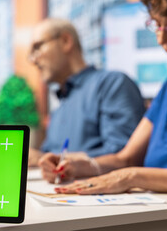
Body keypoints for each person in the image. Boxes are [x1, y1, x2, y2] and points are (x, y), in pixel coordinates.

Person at [40, 0, 167, 194]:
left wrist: (133, 177)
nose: (161, 38)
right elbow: (126, 159)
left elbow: (130, 169)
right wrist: (81, 166)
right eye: (157, 25)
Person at [28, 18, 145, 167]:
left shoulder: (111, 84)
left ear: (65, 41)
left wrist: (52, 159)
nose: (33, 60)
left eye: (38, 47)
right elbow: (47, 155)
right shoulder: (60, 107)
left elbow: (123, 154)